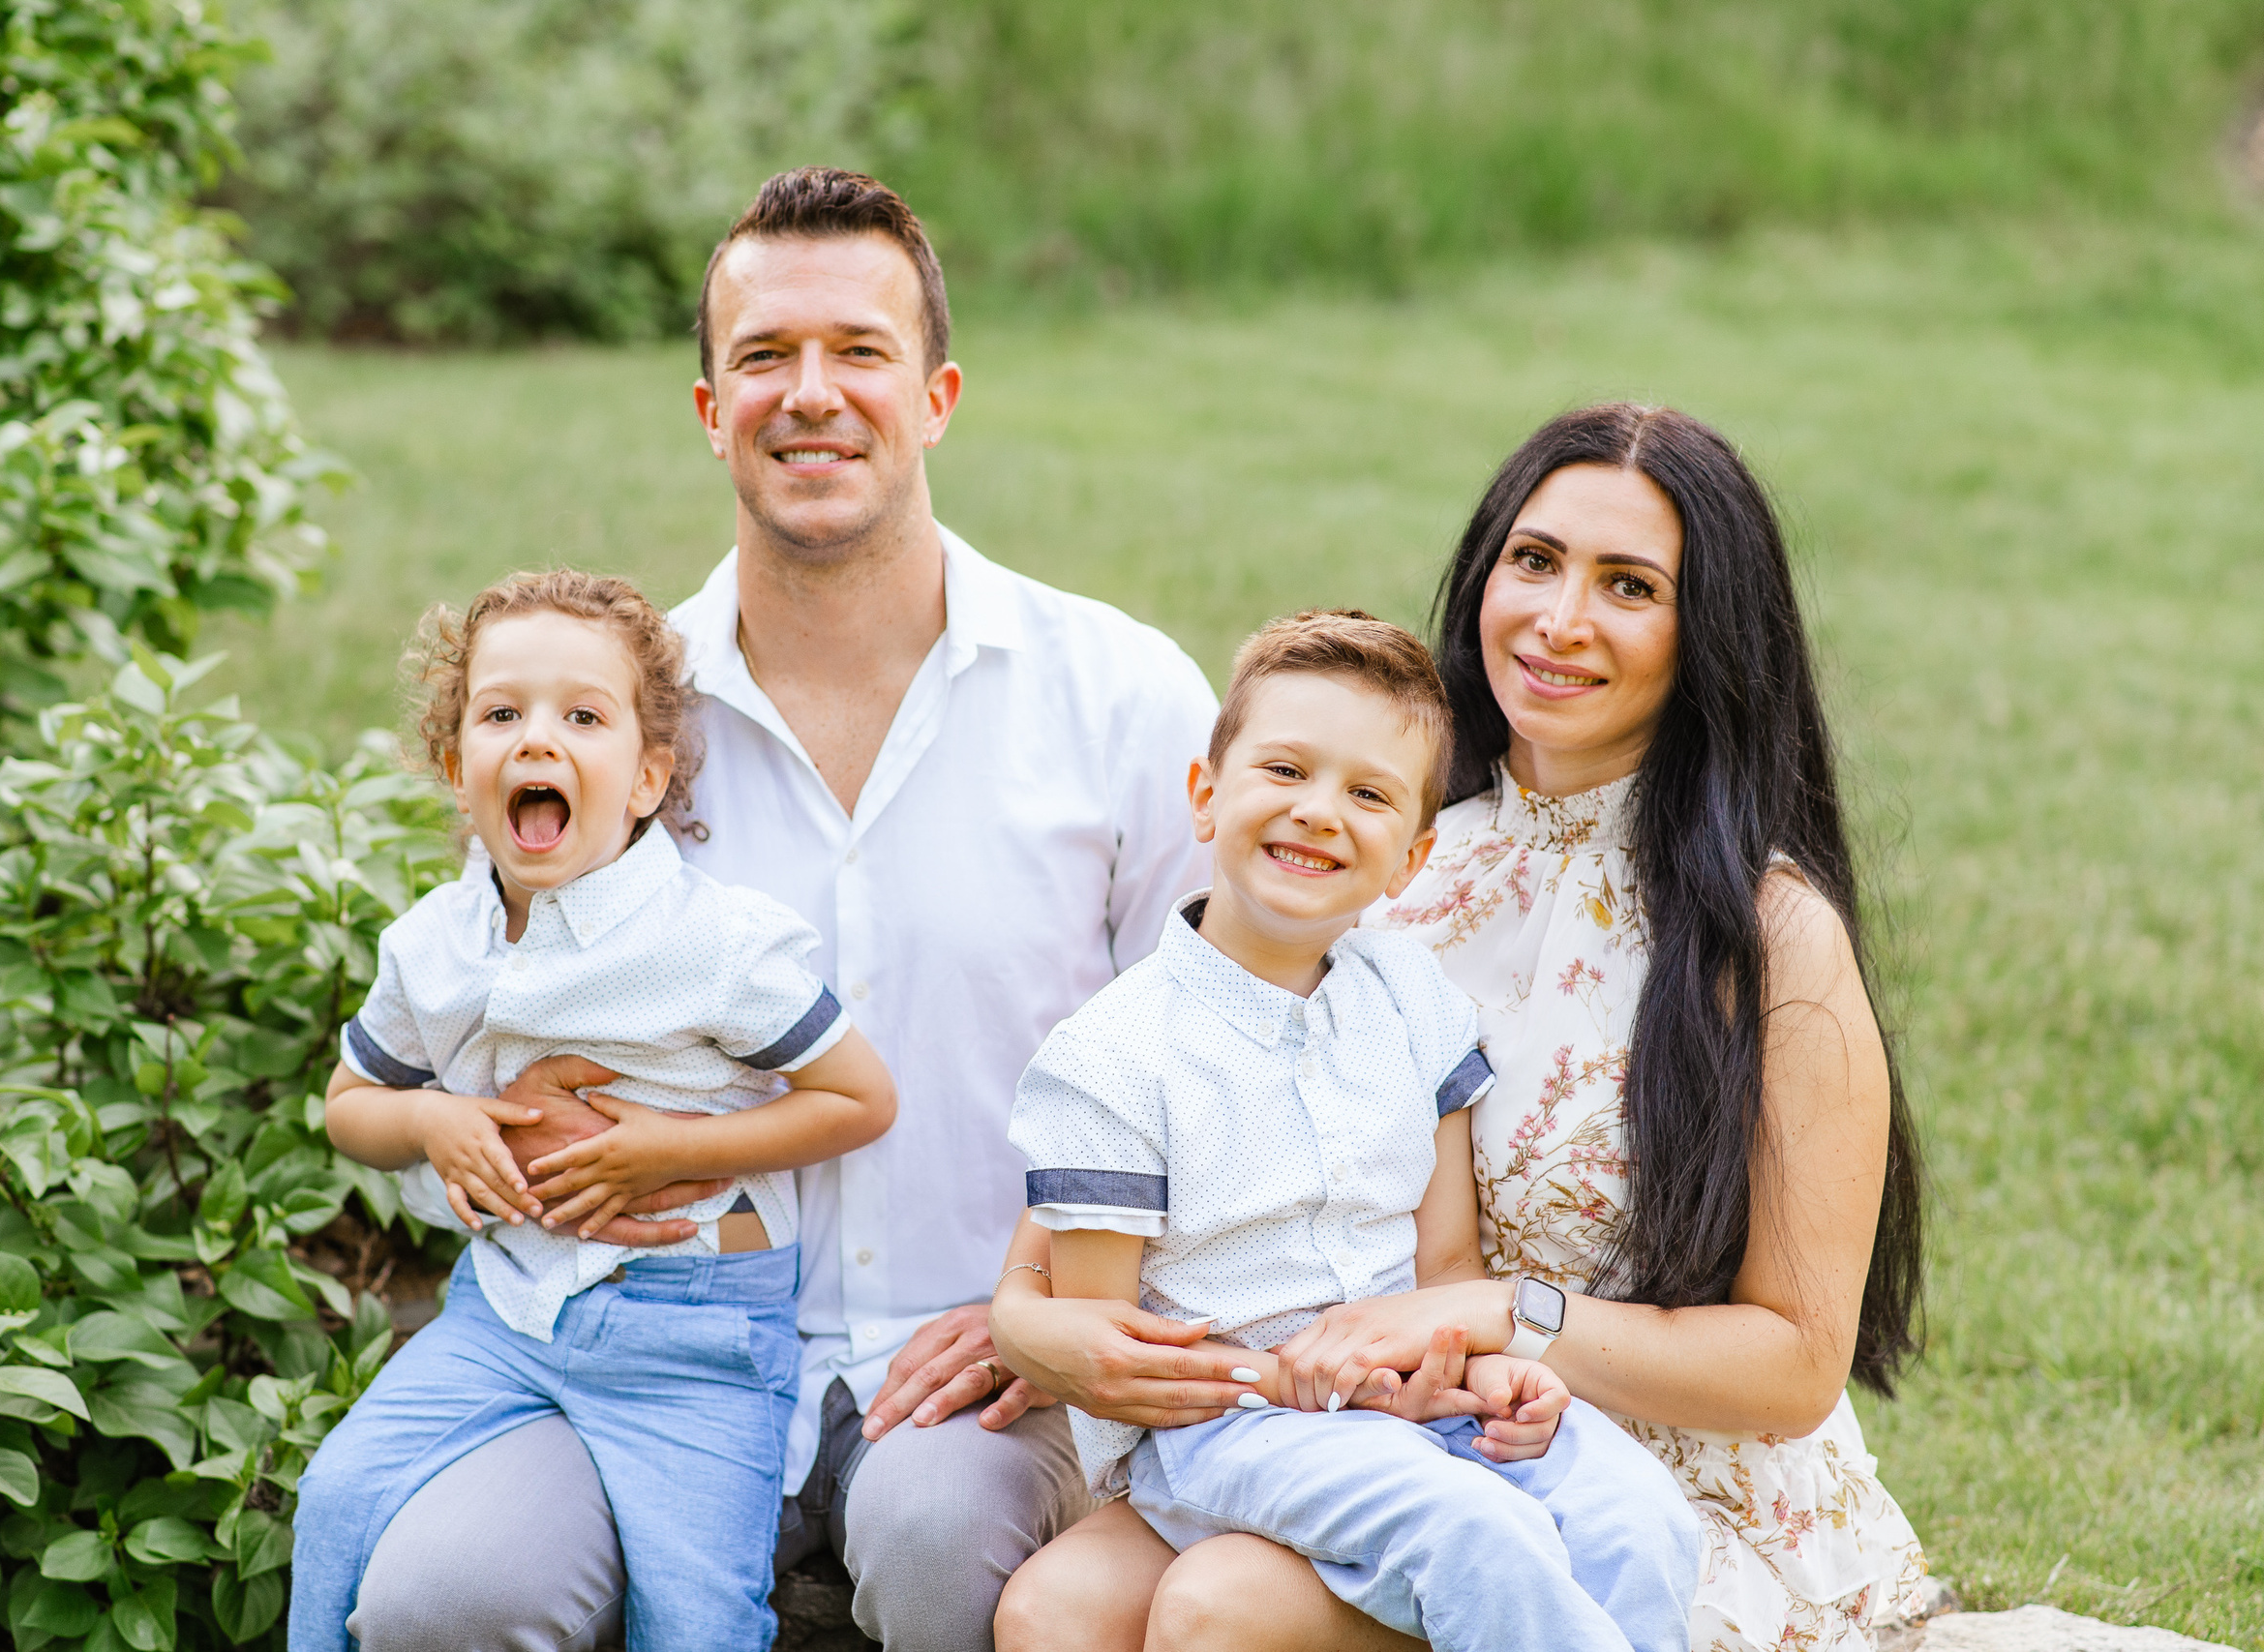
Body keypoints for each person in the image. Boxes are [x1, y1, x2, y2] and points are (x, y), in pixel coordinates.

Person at [338, 169, 1224, 1652]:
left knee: (940, 1538)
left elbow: (1213, 1057)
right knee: (443, 1597)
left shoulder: (1121, 696)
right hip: (638, 1343)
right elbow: (466, 1028)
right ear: (708, 409)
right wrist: (499, 1132)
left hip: (980, 1362)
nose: (811, 394)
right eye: (764, 357)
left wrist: (1047, 1306)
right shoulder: (607, 717)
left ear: (936, 395)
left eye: (859, 352)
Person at [991, 404, 1931, 1652]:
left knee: (1219, 1609)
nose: (1559, 620)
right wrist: (1023, 1323)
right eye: (1533, 562)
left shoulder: (1764, 932)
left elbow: (1793, 1367)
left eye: (1629, 587)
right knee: (1054, 1610)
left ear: (1704, 636)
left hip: (1628, 1464)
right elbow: (1108, 1170)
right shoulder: (1386, 858)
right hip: (1347, 1411)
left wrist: (1492, 1316)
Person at [1010, 609, 1701, 1651]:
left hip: (1403, 1401)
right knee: (1476, 1533)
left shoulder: (1412, 1004)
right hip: (1221, 1428)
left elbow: (1444, 1267)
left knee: (1637, 1515)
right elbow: (1110, 1357)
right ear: (1206, 796)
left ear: (1411, 858)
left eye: (1368, 793)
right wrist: (1282, 1378)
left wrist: (1478, 1369)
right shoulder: (1111, 1056)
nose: (1319, 812)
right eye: (1284, 770)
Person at [291, 571, 899, 1651]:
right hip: (505, 1315)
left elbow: (858, 1097)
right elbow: (350, 1104)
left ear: (645, 777)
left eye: (583, 716)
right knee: (339, 1501)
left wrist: (674, 1147)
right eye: (500, 714)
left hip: (696, 1334)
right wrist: (434, 1123)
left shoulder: (713, 943)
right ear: (455, 765)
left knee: (699, 1616)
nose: (537, 739)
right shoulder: (432, 945)